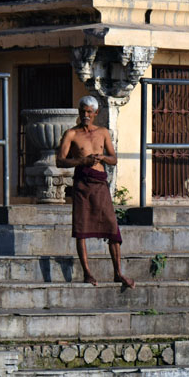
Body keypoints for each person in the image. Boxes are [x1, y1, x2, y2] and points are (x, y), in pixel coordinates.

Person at [57, 96, 134, 289]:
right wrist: (81, 161)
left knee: (112, 229)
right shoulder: (71, 134)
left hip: (100, 184)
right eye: (82, 111)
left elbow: (114, 159)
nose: (85, 115)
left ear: (95, 113)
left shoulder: (103, 133)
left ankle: (118, 273)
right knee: (81, 230)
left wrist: (102, 158)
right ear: (78, 111)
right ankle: (87, 273)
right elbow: (60, 161)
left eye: (89, 112)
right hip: (82, 185)